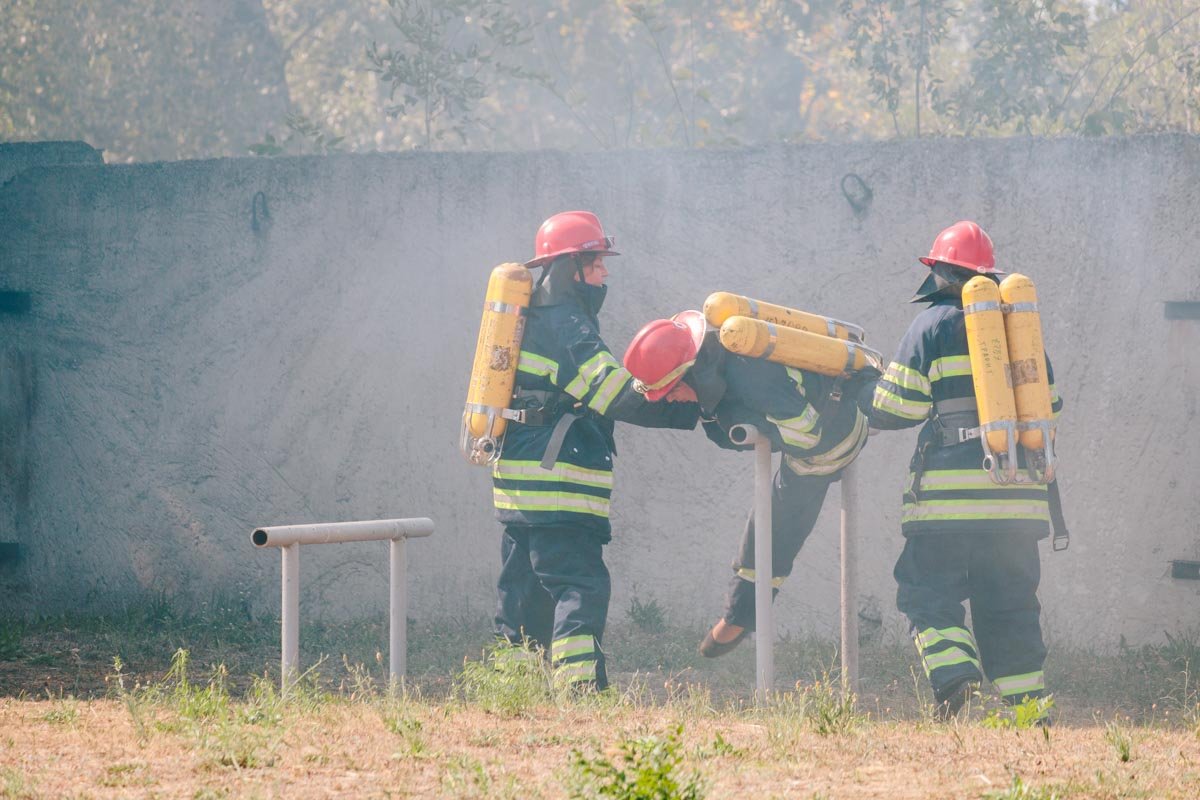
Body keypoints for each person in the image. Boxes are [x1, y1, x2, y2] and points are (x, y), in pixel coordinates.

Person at [859, 220, 1064, 718]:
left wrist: (863, 387)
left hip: (949, 502)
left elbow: (897, 407)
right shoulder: (1021, 328)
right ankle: (1029, 709)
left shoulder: (931, 325)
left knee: (927, 593)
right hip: (1017, 498)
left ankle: (955, 682)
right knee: (1010, 602)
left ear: (939, 271)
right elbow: (1049, 408)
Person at [491, 211, 698, 692]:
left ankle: (511, 692)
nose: (605, 273)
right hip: (558, 486)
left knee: (522, 595)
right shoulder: (567, 326)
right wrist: (684, 405)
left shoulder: (533, 319)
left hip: (518, 486)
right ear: (572, 266)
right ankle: (580, 691)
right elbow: (617, 395)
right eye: (597, 263)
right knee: (579, 587)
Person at [623, 309, 872, 657]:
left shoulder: (749, 378)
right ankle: (739, 616)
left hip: (832, 440)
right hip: (827, 428)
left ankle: (738, 619)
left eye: (670, 392)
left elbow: (807, 434)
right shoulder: (724, 365)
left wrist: (755, 427)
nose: (670, 400)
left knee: (774, 529)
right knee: (768, 524)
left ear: (687, 376)